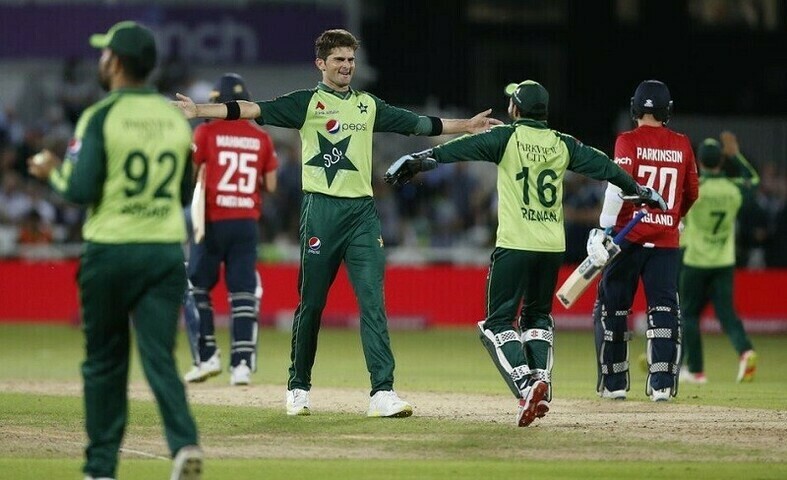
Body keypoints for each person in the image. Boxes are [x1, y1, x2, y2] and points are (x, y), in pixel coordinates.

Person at [172, 28, 502, 418]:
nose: (346, 66)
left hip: (362, 214)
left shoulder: (368, 105)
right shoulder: (306, 104)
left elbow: (417, 123)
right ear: (321, 64)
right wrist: (199, 112)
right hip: (321, 212)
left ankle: (382, 392)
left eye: (350, 60)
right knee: (311, 304)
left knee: (373, 303)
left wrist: (467, 125)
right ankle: (298, 385)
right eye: (339, 60)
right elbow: (250, 109)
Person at [384, 79, 666, 426]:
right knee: (537, 319)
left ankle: (525, 382)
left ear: (515, 110)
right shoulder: (562, 143)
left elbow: (461, 148)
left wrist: (420, 159)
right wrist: (639, 190)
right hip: (551, 247)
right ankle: (540, 383)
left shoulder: (506, 137)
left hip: (515, 244)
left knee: (496, 324)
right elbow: (604, 166)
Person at [27, 21, 202, 480]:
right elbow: (185, 195)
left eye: (106, 54)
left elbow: (80, 189)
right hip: (164, 253)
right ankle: (183, 444)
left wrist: (49, 172)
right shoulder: (173, 118)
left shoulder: (100, 115)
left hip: (110, 251)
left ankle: (101, 468)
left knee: (105, 362)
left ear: (117, 63)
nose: (101, 61)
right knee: (159, 356)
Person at [588, 80, 699, 402]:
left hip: (626, 238)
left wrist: (604, 230)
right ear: (669, 110)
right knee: (664, 311)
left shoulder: (627, 140)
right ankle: (662, 385)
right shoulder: (682, 144)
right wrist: (672, 218)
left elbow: (616, 186)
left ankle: (614, 385)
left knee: (613, 311)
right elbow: (692, 192)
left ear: (634, 108)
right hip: (665, 241)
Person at [182, 73, 279, 386]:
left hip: (211, 221)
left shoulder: (206, 131)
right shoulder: (261, 137)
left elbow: (193, 175)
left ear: (215, 102)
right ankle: (242, 367)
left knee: (197, 286)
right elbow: (272, 185)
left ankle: (207, 355)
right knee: (243, 294)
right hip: (246, 223)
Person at [679, 132, 759, 384]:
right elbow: (753, 180)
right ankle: (745, 351)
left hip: (695, 261)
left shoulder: (695, 190)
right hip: (724, 261)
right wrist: (736, 156)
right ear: (721, 162)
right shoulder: (733, 188)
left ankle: (696, 371)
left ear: (699, 162)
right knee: (726, 315)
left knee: (689, 315)